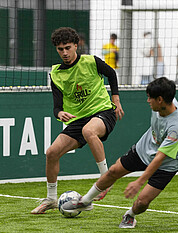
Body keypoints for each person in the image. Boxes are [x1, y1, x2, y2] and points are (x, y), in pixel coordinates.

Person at [62, 77, 178, 228]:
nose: (148, 101)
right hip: (144, 149)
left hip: (166, 165)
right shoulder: (171, 104)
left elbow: (159, 158)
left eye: (150, 98)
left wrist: (139, 182)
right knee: (113, 171)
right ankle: (85, 202)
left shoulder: (177, 127)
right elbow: (174, 120)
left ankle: (130, 215)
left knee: (142, 202)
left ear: (160, 100)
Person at [30, 27, 125, 214]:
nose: (64, 52)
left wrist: (116, 99)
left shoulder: (91, 61)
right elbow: (56, 107)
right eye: (60, 49)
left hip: (103, 112)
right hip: (78, 120)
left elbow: (111, 74)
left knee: (89, 131)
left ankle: (105, 180)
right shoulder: (56, 74)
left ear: (76, 45)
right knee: (51, 153)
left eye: (67, 48)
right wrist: (59, 114)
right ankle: (50, 199)